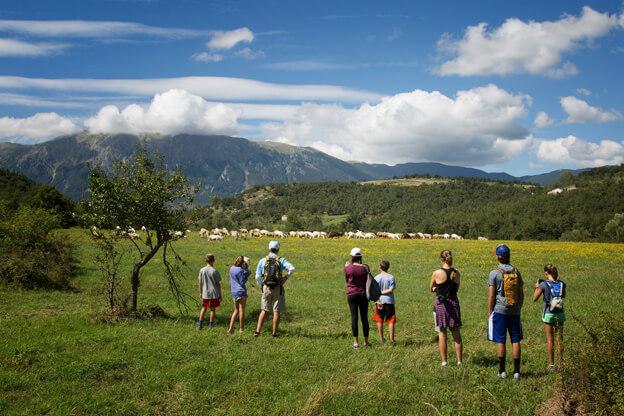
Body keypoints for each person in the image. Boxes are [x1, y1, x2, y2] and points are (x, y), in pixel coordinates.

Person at [487, 243, 524, 379]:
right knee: (515, 340)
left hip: (500, 310)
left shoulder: (494, 273)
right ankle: (516, 371)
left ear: (499, 257)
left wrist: (490, 311)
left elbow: (491, 295)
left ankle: (502, 371)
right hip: (514, 311)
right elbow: (521, 293)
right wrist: (518, 306)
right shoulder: (516, 272)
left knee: (501, 340)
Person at [254, 241, 295, 337]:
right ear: (278, 249)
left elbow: (257, 276)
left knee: (264, 310)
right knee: (276, 311)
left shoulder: (263, 260)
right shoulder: (281, 260)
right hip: (278, 287)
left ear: (269, 249)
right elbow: (292, 268)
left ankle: (257, 331)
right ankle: (274, 333)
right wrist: (285, 278)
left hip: (266, 287)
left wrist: (261, 286)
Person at [430, 250, 463, 366]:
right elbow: (457, 289)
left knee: (442, 334)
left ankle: (444, 362)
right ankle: (459, 361)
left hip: (441, 305)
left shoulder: (436, 273)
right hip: (454, 303)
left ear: (441, 259)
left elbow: (431, 287)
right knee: (456, 333)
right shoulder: (457, 273)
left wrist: (436, 289)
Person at [533, 263, 567, 370]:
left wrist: (537, 287)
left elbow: (534, 298)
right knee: (560, 339)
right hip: (560, 313)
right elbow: (563, 295)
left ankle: (552, 365)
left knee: (550, 339)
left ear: (546, 273)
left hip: (549, 314)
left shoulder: (544, 285)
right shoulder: (562, 284)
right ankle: (561, 364)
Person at [344, 247, 371, 349]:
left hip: (352, 294)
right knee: (364, 318)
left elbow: (347, 281)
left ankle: (355, 343)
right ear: (360, 257)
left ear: (351, 256)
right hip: (363, 294)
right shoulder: (365, 268)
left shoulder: (347, 268)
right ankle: (366, 342)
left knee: (354, 318)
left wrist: (346, 267)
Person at [373, 260, 397, 344]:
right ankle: (392, 339)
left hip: (379, 301)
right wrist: (384, 292)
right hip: (389, 301)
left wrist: (380, 293)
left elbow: (374, 291)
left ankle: (382, 339)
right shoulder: (391, 277)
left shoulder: (376, 278)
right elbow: (391, 289)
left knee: (379, 320)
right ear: (388, 267)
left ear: (380, 267)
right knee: (391, 320)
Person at [197, 253, 221, 330]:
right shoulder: (215, 271)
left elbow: (200, 282)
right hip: (214, 293)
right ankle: (211, 325)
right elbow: (218, 284)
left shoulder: (202, 270)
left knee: (203, 307)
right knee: (212, 309)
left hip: (205, 293)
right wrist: (220, 294)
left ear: (205, 260)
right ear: (213, 260)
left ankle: (200, 324)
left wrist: (200, 292)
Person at [228, 256, 251, 334]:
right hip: (241, 292)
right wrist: (247, 273)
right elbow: (242, 282)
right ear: (244, 263)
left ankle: (231, 328)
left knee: (236, 310)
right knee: (241, 310)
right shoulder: (241, 270)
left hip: (234, 292)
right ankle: (241, 329)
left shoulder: (232, 268)